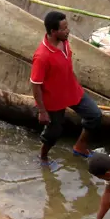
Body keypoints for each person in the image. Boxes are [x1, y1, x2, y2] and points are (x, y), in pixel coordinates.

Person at [31, 11, 103, 165]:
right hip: (54, 99)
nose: (68, 31)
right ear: (53, 31)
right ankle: (43, 157)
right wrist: (42, 111)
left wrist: (75, 82)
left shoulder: (64, 42)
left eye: (67, 27)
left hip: (71, 90)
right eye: (63, 29)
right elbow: (35, 85)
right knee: (53, 133)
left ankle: (80, 147)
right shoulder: (42, 56)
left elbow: (67, 66)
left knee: (94, 115)